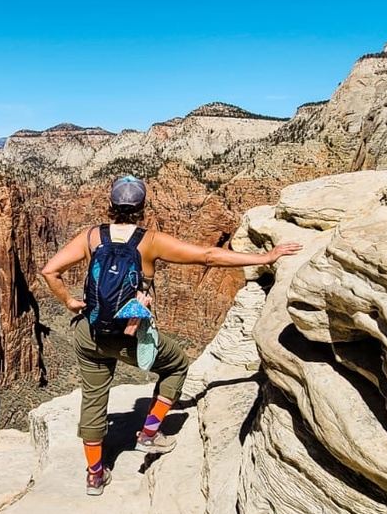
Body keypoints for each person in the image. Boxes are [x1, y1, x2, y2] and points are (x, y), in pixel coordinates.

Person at [39, 176, 302, 495]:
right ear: (142, 208)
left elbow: (49, 271)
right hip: (127, 335)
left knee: (94, 397)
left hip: (89, 332)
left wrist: (69, 302)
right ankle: (149, 433)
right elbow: (209, 256)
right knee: (177, 364)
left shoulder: (91, 236)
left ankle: (95, 475)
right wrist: (265, 258)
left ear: (110, 205)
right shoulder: (149, 241)